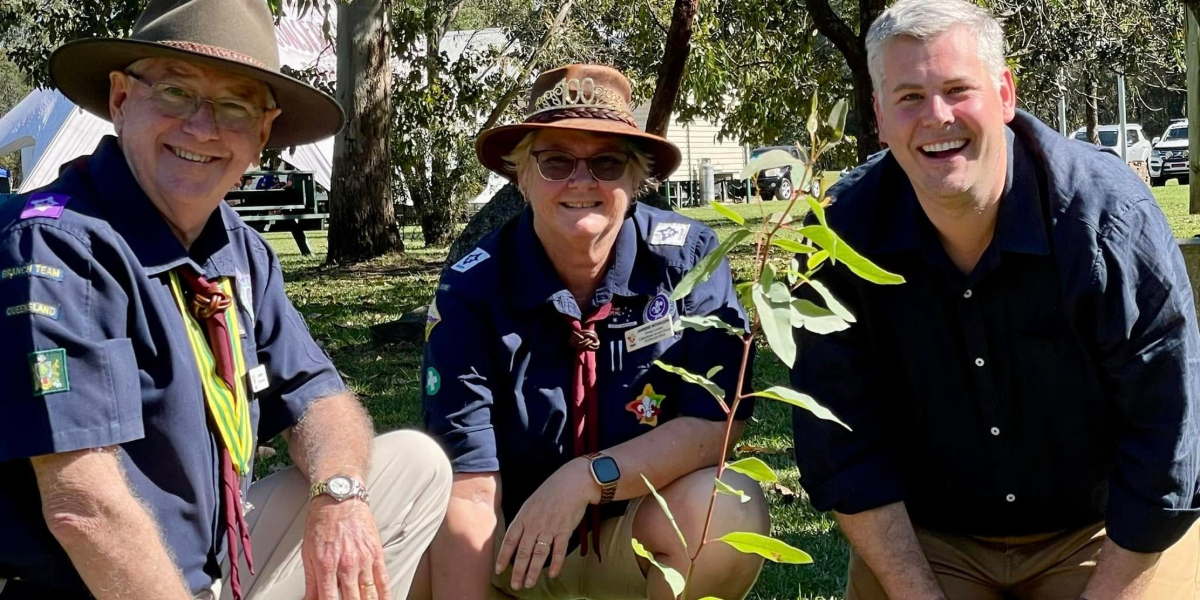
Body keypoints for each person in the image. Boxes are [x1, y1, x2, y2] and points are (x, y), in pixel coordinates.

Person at [0, 1, 451, 599]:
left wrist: (338, 495)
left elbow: (322, 400)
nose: (202, 127)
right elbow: (83, 506)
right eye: (175, 92)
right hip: (94, 585)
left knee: (415, 466)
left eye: (234, 105)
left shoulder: (237, 248)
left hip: (220, 564)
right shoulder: (56, 245)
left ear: (262, 135)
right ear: (119, 99)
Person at [790, 1, 1200, 599]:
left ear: (1004, 95)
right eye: (908, 97)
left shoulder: (1111, 224)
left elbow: (1169, 436)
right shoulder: (839, 238)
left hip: (1099, 533)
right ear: (878, 116)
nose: (936, 117)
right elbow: (839, 441)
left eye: (958, 89)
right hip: (932, 541)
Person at [416, 64, 770, 600]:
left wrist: (587, 478)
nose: (582, 182)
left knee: (727, 505)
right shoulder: (475, 286)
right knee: (404, 515)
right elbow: (468, 482)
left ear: (636, 178)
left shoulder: (688, 260)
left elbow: (714, 424)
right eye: (556, 161)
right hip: (512, 547)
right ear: (522, 176)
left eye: (606, 162)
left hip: (634, 542)